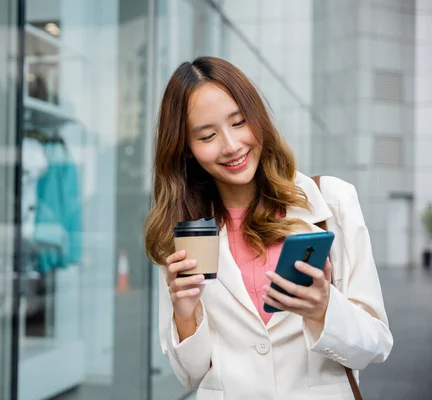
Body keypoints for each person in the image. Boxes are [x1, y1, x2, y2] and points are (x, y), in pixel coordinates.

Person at [144, 56, 393, 399]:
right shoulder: (183, 231)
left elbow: (377, 345)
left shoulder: (332, 202)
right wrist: (185, 316)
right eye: (208, 135)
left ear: (258, 119)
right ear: (186, 149)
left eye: (239, 122)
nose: (231, 146)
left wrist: (324, 311)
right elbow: (191, 376)